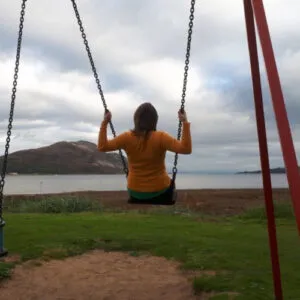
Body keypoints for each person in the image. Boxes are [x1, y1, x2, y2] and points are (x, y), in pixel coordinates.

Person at [98, 102, 192, 203]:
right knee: (171, 184)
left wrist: (105, 122)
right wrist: (184, 122)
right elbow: (186, 149)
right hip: (161, 191)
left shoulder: (126, 137)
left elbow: (102, 146)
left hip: (135, 191)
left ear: (136, 119)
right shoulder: (161, 137)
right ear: (155, 120)